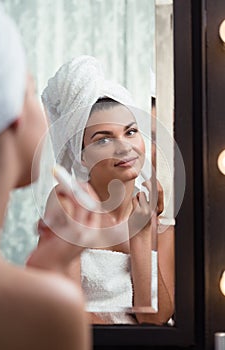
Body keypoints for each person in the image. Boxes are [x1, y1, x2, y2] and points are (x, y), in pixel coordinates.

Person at [27, 56, 174, 325]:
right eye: (103, 138)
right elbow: (68, 314)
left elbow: (157, 320)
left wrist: (140, 237)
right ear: (82, 156)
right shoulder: (68, 205)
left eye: (130, 132)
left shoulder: (162, 225)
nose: (124, 147)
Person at [0, 3, 100, 349]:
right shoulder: (48, 309)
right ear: (13, 115)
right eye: (30, 87)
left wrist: (46, 266)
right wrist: (49, 277)